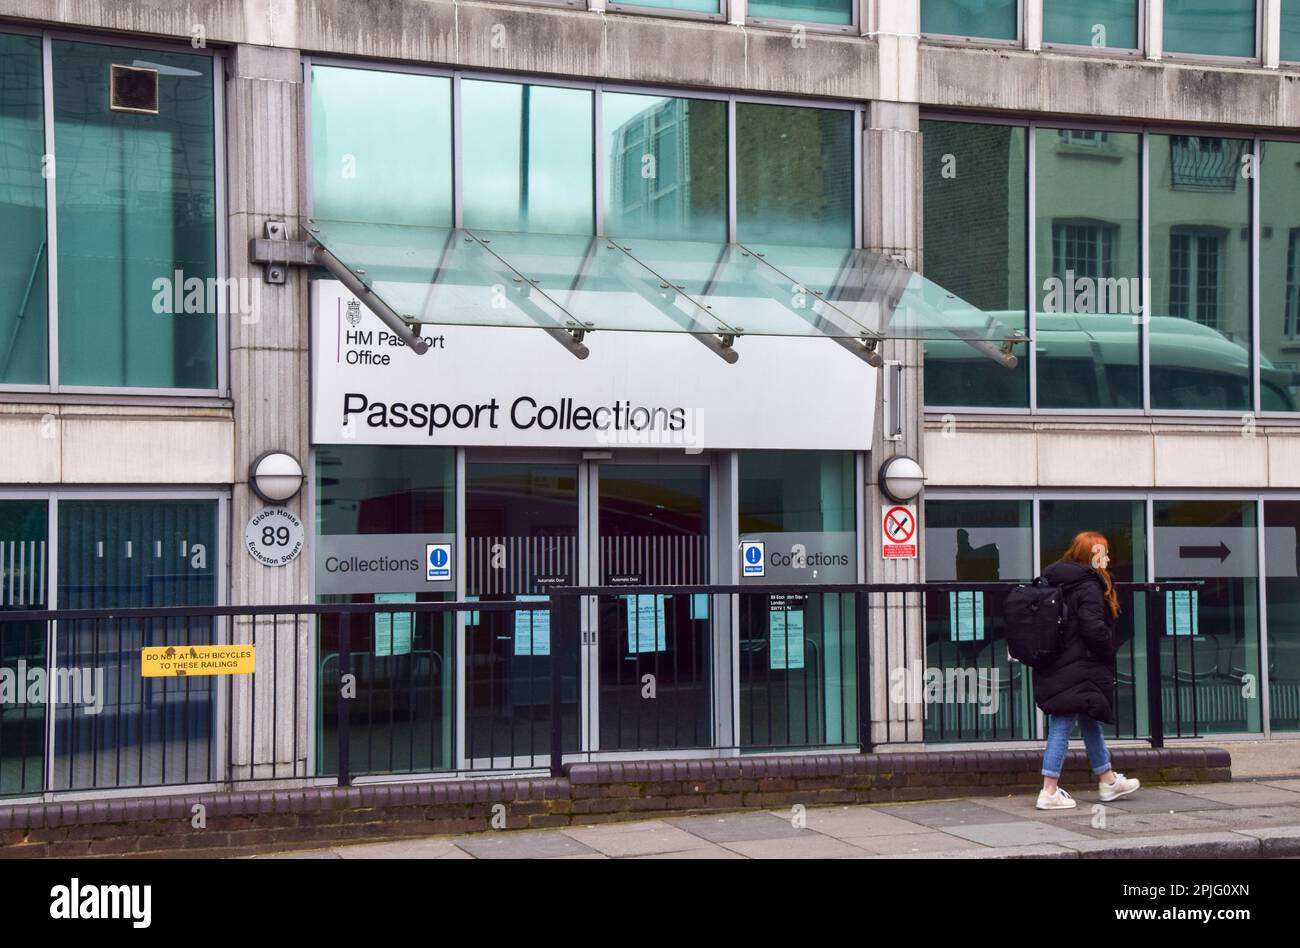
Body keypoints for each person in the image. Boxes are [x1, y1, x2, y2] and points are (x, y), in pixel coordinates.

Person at [1034, 531, 1141, 810]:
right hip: (1078, 664)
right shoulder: (1089, 587)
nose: (1107, 558)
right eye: (1102, 552)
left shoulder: (1056, 581)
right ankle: (1049, 790)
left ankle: (1108, 780)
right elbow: (1092, 628)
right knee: (1063, 722)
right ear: (1091, 556)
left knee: (1090, 717)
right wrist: (1109, 649)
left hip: (1059, 662)